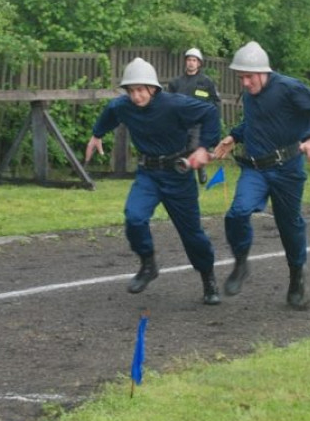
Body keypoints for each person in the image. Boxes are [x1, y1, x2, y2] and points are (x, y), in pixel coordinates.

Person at [85, 57, 223, 305]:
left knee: (192, 234)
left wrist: (205, 147)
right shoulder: (124, 106)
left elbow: (210, 112)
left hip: (178, 175)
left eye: (140, 90)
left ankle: (208, 278)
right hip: (148, 174)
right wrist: (97, 134)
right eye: (131, 91)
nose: (136, 96)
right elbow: (111, 111)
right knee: (134, 217)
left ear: (152, 88)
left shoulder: (174, 104)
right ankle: (148, 264)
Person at [211, 41, 310, 311]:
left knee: (290, 226)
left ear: (264, 72)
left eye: (249, 77)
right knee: (237, 213)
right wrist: (234, 136)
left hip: (288, 169)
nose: (245, 83)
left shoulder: (289, 88)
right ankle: (241, 262)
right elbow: (256, 122)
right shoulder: (250, 94)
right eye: (241, 77)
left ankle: (297, 279)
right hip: (256, 169)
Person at [167, 48, 221, 185]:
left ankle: (200, 168)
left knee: (193, 148)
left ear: (199, 63)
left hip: (198, 123)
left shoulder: (206, 82)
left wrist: (210, 120)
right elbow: (168, 103)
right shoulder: (176, 82)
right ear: (185, 62)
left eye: (194, 60)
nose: (191, 63)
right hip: (180, 124)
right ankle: (184, 176)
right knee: (180, 151)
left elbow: (215, 103)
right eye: (189, 60)